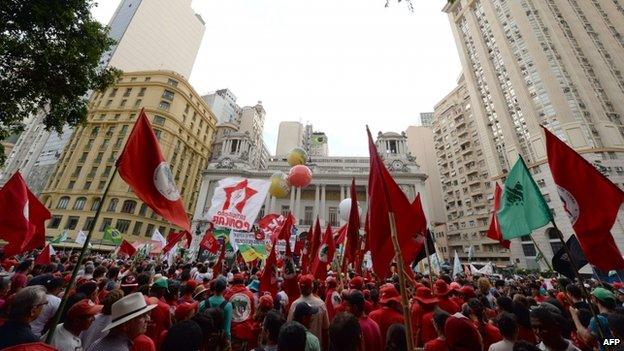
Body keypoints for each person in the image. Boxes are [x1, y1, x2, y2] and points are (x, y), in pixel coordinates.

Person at [86, 292, 157, 351]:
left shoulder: (99, 342)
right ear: (125, 325)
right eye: (143, 315)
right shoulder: (119, 348)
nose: (148, 319)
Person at [288, 274, 330, 350]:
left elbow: (289, 327)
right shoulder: (321, 304)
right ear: (312, 287)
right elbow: (326, 329)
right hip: (316, 346)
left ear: (300, 288)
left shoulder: (294, 305)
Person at [224, 273, 256, 351]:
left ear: (234, 282)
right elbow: (253, 312)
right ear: (243, 281)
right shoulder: (250, 295)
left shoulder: (228, 295)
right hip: (247, 330)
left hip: (233, 331)